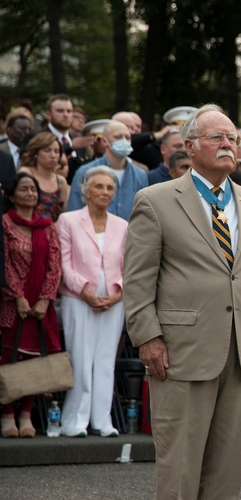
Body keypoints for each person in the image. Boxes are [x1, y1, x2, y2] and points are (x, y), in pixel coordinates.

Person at [123, 104, 241, 500]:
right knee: (181, 452)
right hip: (182, 346)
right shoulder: (157, 200)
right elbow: (137, 279)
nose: (229, 144)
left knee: (228, 452)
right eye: (217, 137)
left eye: (232, 137)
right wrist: (147, 337)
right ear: (189, 146)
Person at [55, 167, 128, 437]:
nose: (105, 192)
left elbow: (128, 266)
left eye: (110, 188)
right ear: (85, 191)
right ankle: (74, 420)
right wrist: (85, 292)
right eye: (99, 187)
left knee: (106, 358)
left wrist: (118, 294)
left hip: (113, 299)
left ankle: (102, 420)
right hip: (78, 299)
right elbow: (63, 263)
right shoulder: (68, 220)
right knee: (81, 359)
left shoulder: (122, 225)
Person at [0, 174, 62, 439]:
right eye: (23, 189)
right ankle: (7, 416)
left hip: (40, 305)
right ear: (12, 196)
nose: (30, 193)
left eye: (33, 189)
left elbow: (55, 265)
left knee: (35, 359)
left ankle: (26, 415)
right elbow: (4, 264)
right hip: (12, 304)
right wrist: (18, 296)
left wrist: (45, 298)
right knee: (9, 359)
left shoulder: (47, 226)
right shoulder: (4, 224)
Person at [68, 121, 148, 221]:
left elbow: (143, 213)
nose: (124, 141)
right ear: (104, 141)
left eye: (127, 138)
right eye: (118, 137)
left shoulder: (140, 175)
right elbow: (74, 210)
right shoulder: (85, 172)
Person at [19, 132, 69, 221]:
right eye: (47, 150)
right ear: (36, 153)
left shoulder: (61, 181)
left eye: (56, 151)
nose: (53, 155)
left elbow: (64, 214)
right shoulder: (26, 173)